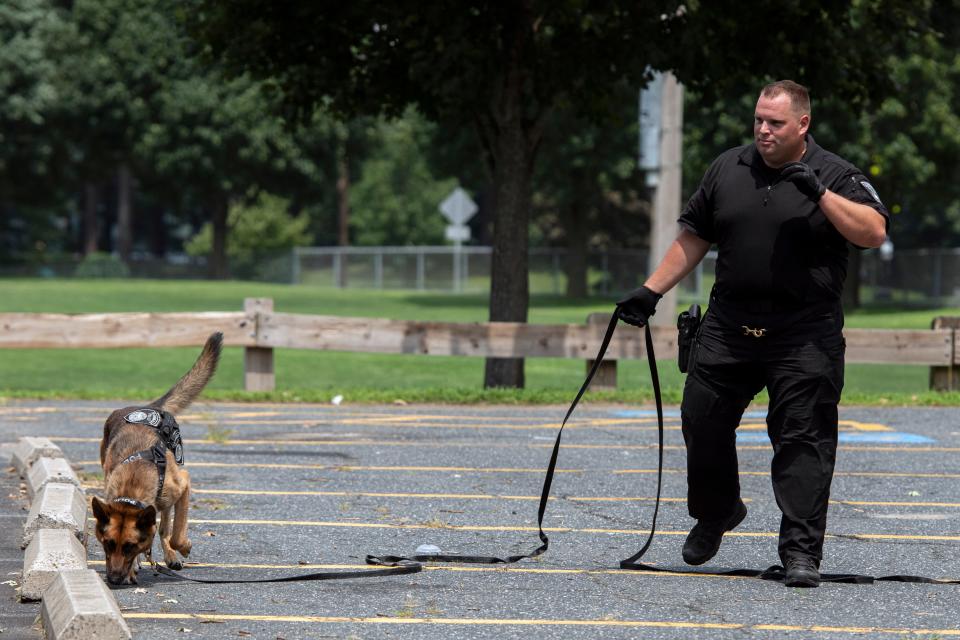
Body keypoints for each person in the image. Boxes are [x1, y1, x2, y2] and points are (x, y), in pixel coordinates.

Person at [617, 80, 888, 588]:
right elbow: (695, 235)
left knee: (802, 440)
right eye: (759, 120)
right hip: (728, 327)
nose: (764, 130)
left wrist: (820, 194)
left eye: (776, 123)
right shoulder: (728, 167)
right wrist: (650, 292)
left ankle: (801, 553)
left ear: (802, 124)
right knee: (702, 420)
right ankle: (717, 511)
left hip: (804, 334)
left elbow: (872, 232)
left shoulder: (835, 173)